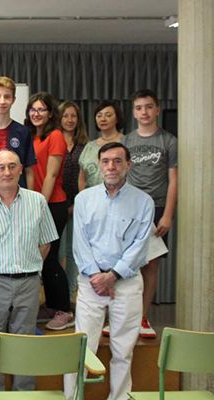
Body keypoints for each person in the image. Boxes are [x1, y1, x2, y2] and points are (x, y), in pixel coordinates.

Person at [64, 142, 153, 400]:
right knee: (81, 347)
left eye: (117, 161)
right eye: (105, 161)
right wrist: (97, 277)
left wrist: (113, 276)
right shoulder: (84, 199)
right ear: (99, 165)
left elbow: (140, 246)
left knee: (123, 349)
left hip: (125, 283)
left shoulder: (143, 202)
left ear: (128, 165)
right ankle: (73, 398)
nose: (111, 166)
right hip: (91, 282)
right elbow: (79, 243)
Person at [0, 149, 58, 392]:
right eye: (1, 167)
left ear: (20, 169)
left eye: (12, 166)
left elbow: (46, 243)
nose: (6, 172)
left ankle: (23, 397)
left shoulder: (37, 201)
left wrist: (27, 266)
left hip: (28, 283)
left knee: (25, 344)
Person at [122, 89, 177, 339]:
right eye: (139, 108)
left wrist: (167, 215)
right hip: (131, 208)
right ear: (134, 112)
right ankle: (125, 316)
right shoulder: (127, 141)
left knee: (150, 265)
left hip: (156, 208)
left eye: (148, 107)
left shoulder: (169, 141)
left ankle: (142, 317)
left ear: (157, 109)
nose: (144, 112)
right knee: (127, 263)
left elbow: (174, 180)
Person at [24, 92, 73, 331]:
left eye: (41, 109)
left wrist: (39, 207)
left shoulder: (56, 136)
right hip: (36, 203)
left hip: (52, 204)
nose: (36, 113)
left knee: (50, 257)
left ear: (51, 113)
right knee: (40, 258)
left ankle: (64, 310)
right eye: (33, 109)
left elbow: (52, 175)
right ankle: (53, 305)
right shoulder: (31, 136)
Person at [57, 101, 88, 297]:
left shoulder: (86, 146)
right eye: (65, 115)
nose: (69, 120)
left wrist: (76, 203)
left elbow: (86, 178)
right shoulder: (54, 140)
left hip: (78, 205)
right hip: (57, 203)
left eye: (73, 116)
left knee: (72, 253)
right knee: (57, 253)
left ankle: (69, 295)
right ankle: (57, 296)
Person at [78, 101, 124, 190]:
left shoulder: (126, 143)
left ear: (117, 118)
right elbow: (82, 178)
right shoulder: (89, 146)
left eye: (108, 115)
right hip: (92, 199)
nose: (103, 119)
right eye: (99, 116)